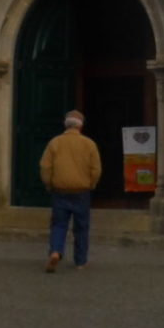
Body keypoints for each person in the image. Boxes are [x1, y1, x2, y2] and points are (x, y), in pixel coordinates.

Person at [39, 110, 101, 272]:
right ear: (81, 126)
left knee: (59, 224)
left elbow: (45, 166)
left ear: (65, 125)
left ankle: (55, 251)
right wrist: (91, 184)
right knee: (81, 227)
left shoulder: (55, 142)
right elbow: (96, 169)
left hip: (60, 190)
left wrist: (49, 183)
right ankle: (80, 261)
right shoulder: (89, 144)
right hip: (81, 191)